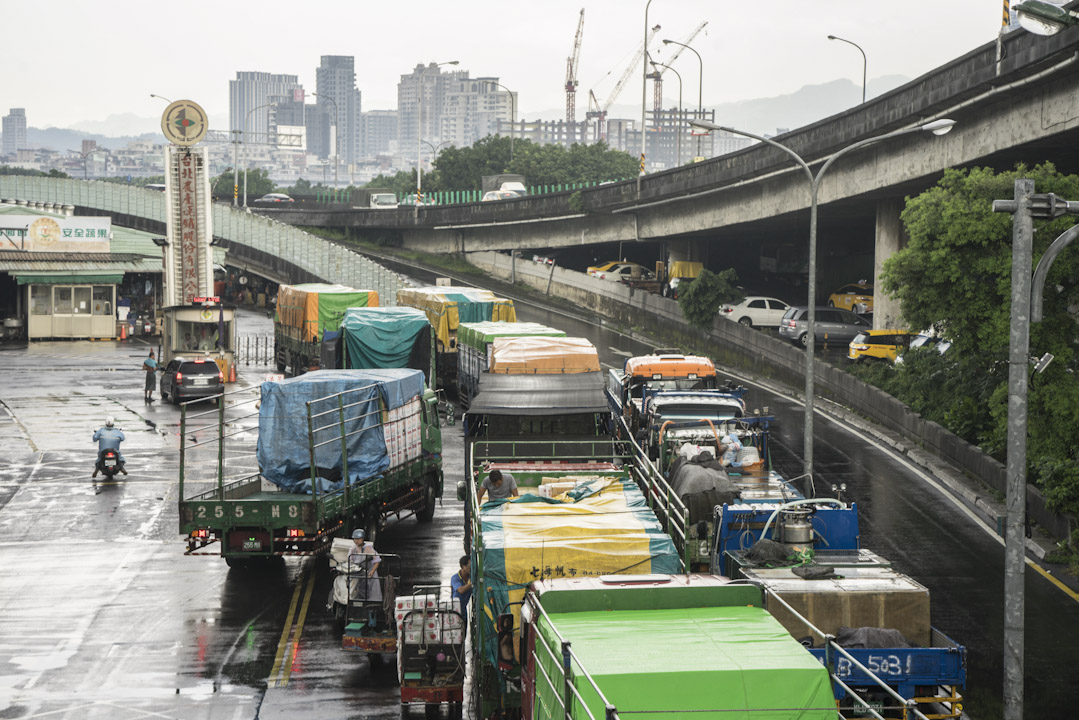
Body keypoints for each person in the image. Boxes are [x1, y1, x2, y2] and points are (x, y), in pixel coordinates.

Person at [347, 529, 382, 603]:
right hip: (358, 572)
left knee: (372, 591)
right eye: (355, 539)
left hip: (369, 572)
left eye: (358, 539)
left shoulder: (368, 548)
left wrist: (372, 571)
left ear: (362, 539)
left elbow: (377, 561)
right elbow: (350, 561)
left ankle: (373, 605)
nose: (356, 541)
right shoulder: (353, 549)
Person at [450, 555, 472, 633]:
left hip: (463, 610)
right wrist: (470, 584)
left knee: (463, 634)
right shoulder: (455, 578)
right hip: (455, 609)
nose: (471, 567)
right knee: (455, 635)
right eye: (469, 565)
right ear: (463, 566)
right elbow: (460, 590)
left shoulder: (471, 577)